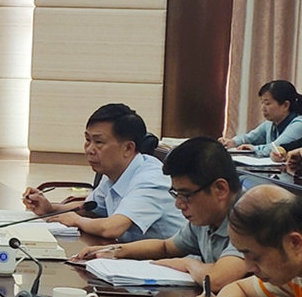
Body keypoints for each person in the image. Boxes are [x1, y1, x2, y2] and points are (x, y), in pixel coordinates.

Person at [71, 137, 253, 291]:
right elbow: (166, 247)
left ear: (220, 189)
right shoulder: (207, 216)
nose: (178, 204)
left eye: (185, 195)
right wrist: (114, 251)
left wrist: (187, 264)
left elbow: (218, 279)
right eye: (176, 194)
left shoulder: (250, 216)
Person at [21, 104, 182, 242]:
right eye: (87, 140)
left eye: (98, 142)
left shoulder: (151, 180)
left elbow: (113, 228)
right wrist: (51, 208)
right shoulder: (114, 171)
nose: (89, 149)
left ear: (128, 148)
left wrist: (77, 221)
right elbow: (90, 209)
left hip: (170, 262)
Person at [224, 79, 302, 154]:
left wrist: (255, 149)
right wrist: (233, 142)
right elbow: (249, 138)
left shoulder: (299, 124)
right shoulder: (270, 123)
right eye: (262, 103)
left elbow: (277, 148)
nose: (263, 108)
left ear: (285, 105)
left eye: (267, 103)